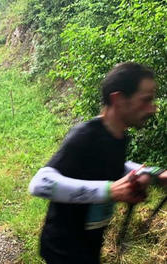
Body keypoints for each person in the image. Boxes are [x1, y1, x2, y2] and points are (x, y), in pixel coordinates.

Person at [28, 62, 167, 264]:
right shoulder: (85, 136)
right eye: (145, 100)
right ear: (118, 99)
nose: (152, 108)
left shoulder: (117, 136)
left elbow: (114, 164)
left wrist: (155, 173)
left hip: (89, 246)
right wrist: (110, 191)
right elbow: (40, 183)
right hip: (63, 251)